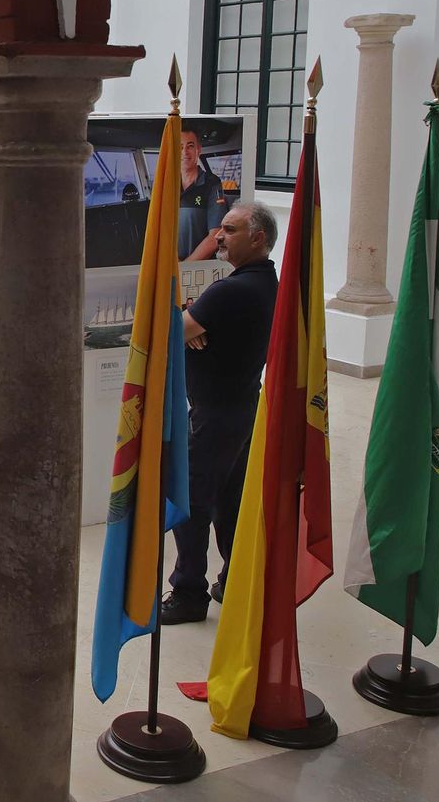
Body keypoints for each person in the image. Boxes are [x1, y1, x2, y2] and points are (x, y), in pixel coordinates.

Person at [161, 201, 279, 624]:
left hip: (216, 415)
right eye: (220, 229)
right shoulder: (266, 283)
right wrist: (192, 326)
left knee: (190, 501)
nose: (220, 237)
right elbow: (189, 330)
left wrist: (187, 324)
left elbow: (174, 331)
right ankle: (233, 580)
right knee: (229, 501)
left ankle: (189, 591)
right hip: (243, 406)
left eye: (230, 230)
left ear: (258, 237)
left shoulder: (231, 290)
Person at [178, 129, 228, 261]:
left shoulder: (212, 183)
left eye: (190, 146)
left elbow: (216, 235)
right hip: (168, 266)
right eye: (180, 147)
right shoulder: (165, 185)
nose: (184, 152)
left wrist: (186, 267)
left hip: (198, 267)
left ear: (198, 150)